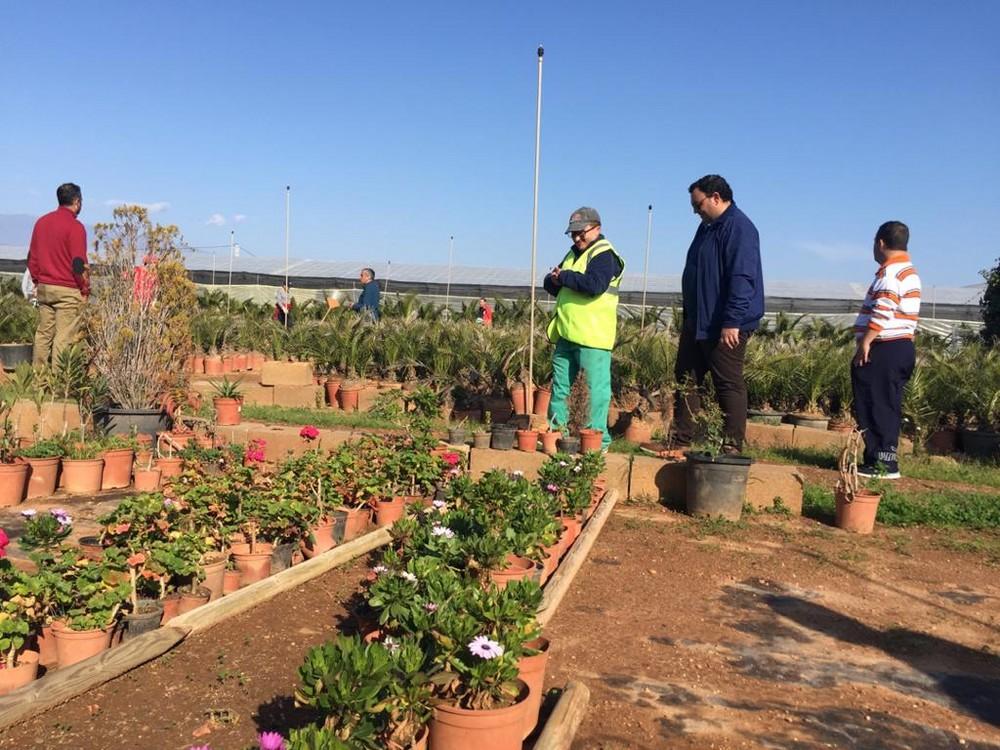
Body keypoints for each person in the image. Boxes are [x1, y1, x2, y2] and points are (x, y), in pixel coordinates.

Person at [672, 175, 764, 453]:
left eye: (698, 204)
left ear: (716, 197)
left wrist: (732, 321)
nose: (695, 211)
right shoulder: (707, 228)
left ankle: (731, 445)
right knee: (686, 379)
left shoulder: (739, 228)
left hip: (723, 324)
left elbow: (742, 277)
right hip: (698, 321)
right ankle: (680, 440)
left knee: (727, 383)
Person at [544, 207, 625, 452]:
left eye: (581, 233)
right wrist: (558, 278)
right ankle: (559, 436)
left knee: (594, 391)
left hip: (593, 336)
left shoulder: (604, 255)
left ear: (596, 229)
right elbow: (550, 281)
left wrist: (564, 277)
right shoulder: (572, 254)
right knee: (560, 388)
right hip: (566, 333)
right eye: (573, 234)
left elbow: (594, 285)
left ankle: (597, 442)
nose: (577, 238)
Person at [851, 221, 920, 479]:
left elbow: (884, 308)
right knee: (887, 402)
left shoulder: (891, 273)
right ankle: (881, 457)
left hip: (885, 346)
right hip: (901, 346)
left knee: (876, 400)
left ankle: (881, 461)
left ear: (880, 243)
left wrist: (867, 340)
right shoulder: (909, 272)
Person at [27, 182, 90, 369]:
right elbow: (78, 264)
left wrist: (38, 281)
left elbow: (32, 258)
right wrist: (84, 288)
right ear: (77, 201)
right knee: (64, 337)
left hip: (45, 287)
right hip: (68, 290)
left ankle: (38, 379)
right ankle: (59, 382)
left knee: (43, 334)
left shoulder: (42, 222)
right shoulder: (75, 227)